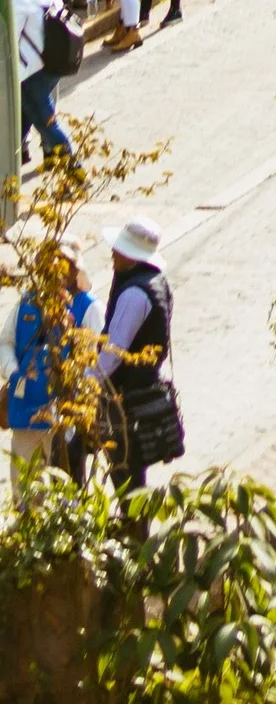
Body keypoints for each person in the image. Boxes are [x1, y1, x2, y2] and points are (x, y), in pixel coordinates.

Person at [94, 216, 182, 491]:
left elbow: (113, 351)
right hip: (143, 387)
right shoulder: (156, 282)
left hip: (125, 397)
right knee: (133, 470)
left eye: (118, 249)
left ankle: (135, 530)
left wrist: (86, 383)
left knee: (125, 471)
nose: (112, 253)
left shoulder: (134, 293)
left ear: (131, 256)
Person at [6, 250, 99, 509]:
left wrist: (76, 392)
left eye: (63, 266)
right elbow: (6, 342)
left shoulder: (87, 306)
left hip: (63, 415)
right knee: (24, 485)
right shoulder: (26, 302)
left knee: (63, 485)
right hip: (24, 410)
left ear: (73, 270)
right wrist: (14, 372)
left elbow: (96, 359)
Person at [14, 0, 74, 164]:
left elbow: (9, 37)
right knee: (22, 118)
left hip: (31, 71)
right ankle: (9, 164)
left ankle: (74, 170)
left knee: (46, 123)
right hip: (50, 65)